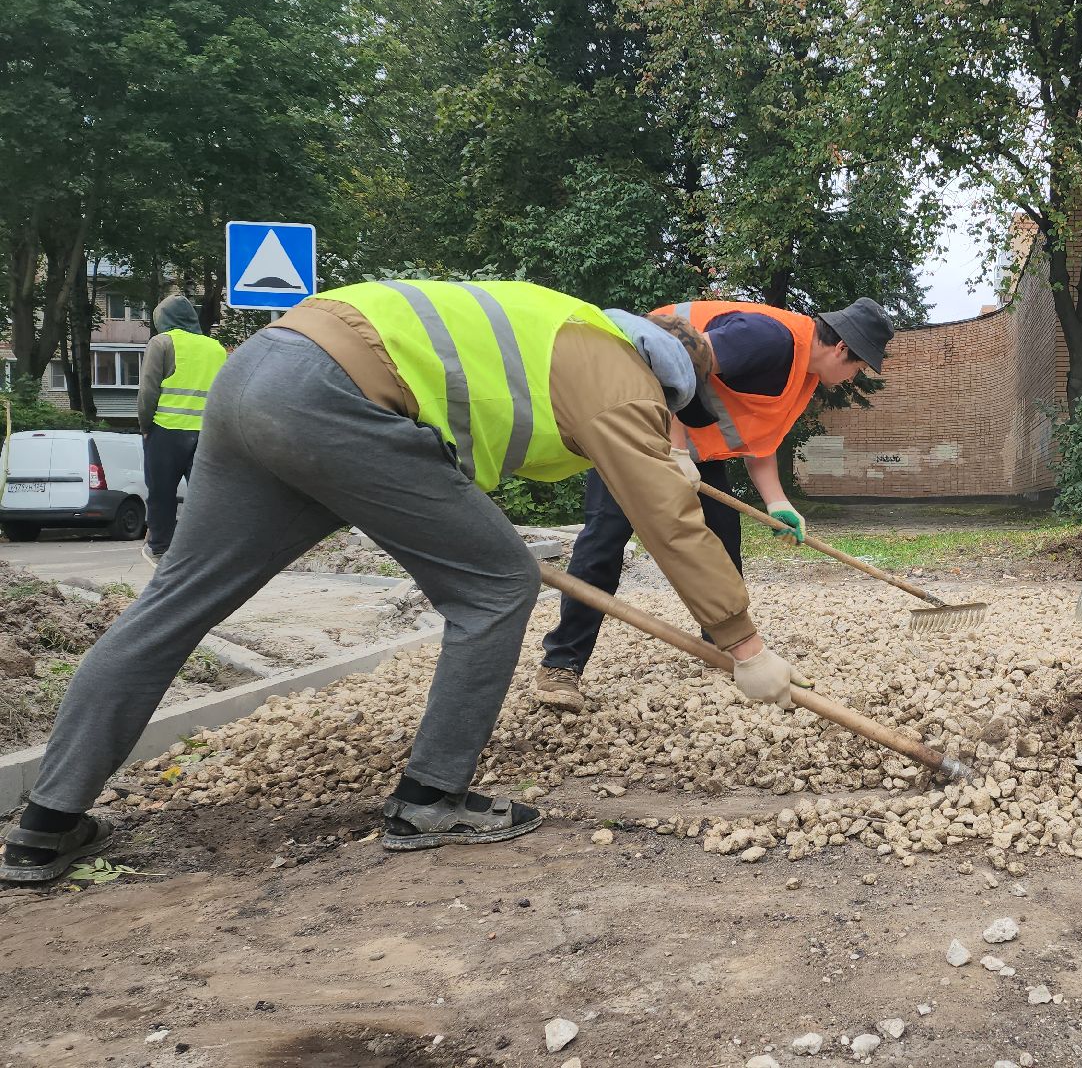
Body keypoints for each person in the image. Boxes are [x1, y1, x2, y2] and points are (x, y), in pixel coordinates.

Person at [2, 280, 801, 883]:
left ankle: (46, 822)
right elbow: (666, 513)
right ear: (671, 383)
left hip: (261, 376)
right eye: (670, 413)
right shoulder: (620, 370)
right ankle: (431, 800)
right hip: (335, 396)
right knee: (496, 586)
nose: (661, 423)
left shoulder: (559, 326)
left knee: (175, 603)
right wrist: (742, 640)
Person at [530, 297, 894, 711]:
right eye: (858, 368)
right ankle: (561, 665)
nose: (852, 379)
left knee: (723, 547)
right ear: (842, 348)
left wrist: (777, 502)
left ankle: (727, 650)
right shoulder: (768, 339)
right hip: (628, 424)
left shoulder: (804, 374)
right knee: (603, 545)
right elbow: (670, 360)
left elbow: (760, 441)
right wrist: (674, 450)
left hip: (702, 455)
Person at [135, 294, 230, 565]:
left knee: (161, 492)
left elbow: (148, 391)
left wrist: (145, 426)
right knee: (206, 494)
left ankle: (160, 548)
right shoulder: (216, 348)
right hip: (207, 433)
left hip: (166, 430)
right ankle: (210, 549)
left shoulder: (162, 342)